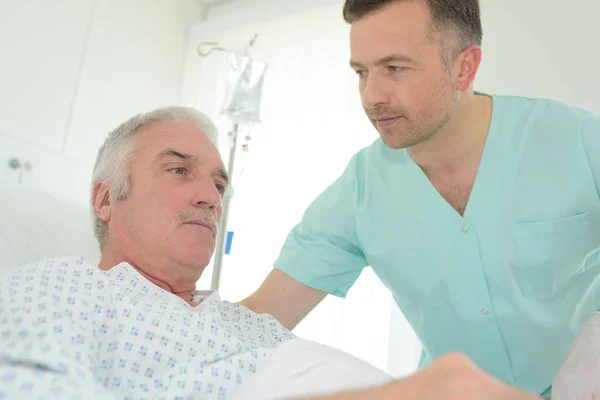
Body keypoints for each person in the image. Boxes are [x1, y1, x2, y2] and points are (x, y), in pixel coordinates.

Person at [0, 107, 541, 400]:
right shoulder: (60, 288)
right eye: (178, 170)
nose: (211, 196)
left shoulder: (243, 323)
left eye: (218, 183)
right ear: (103, 199)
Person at [239, 0, 600, 397]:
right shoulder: (360, 190)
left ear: (464, 67)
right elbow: (262, 317)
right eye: (362, 72)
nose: (371, 96)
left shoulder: (581, 142)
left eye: (395, 68)